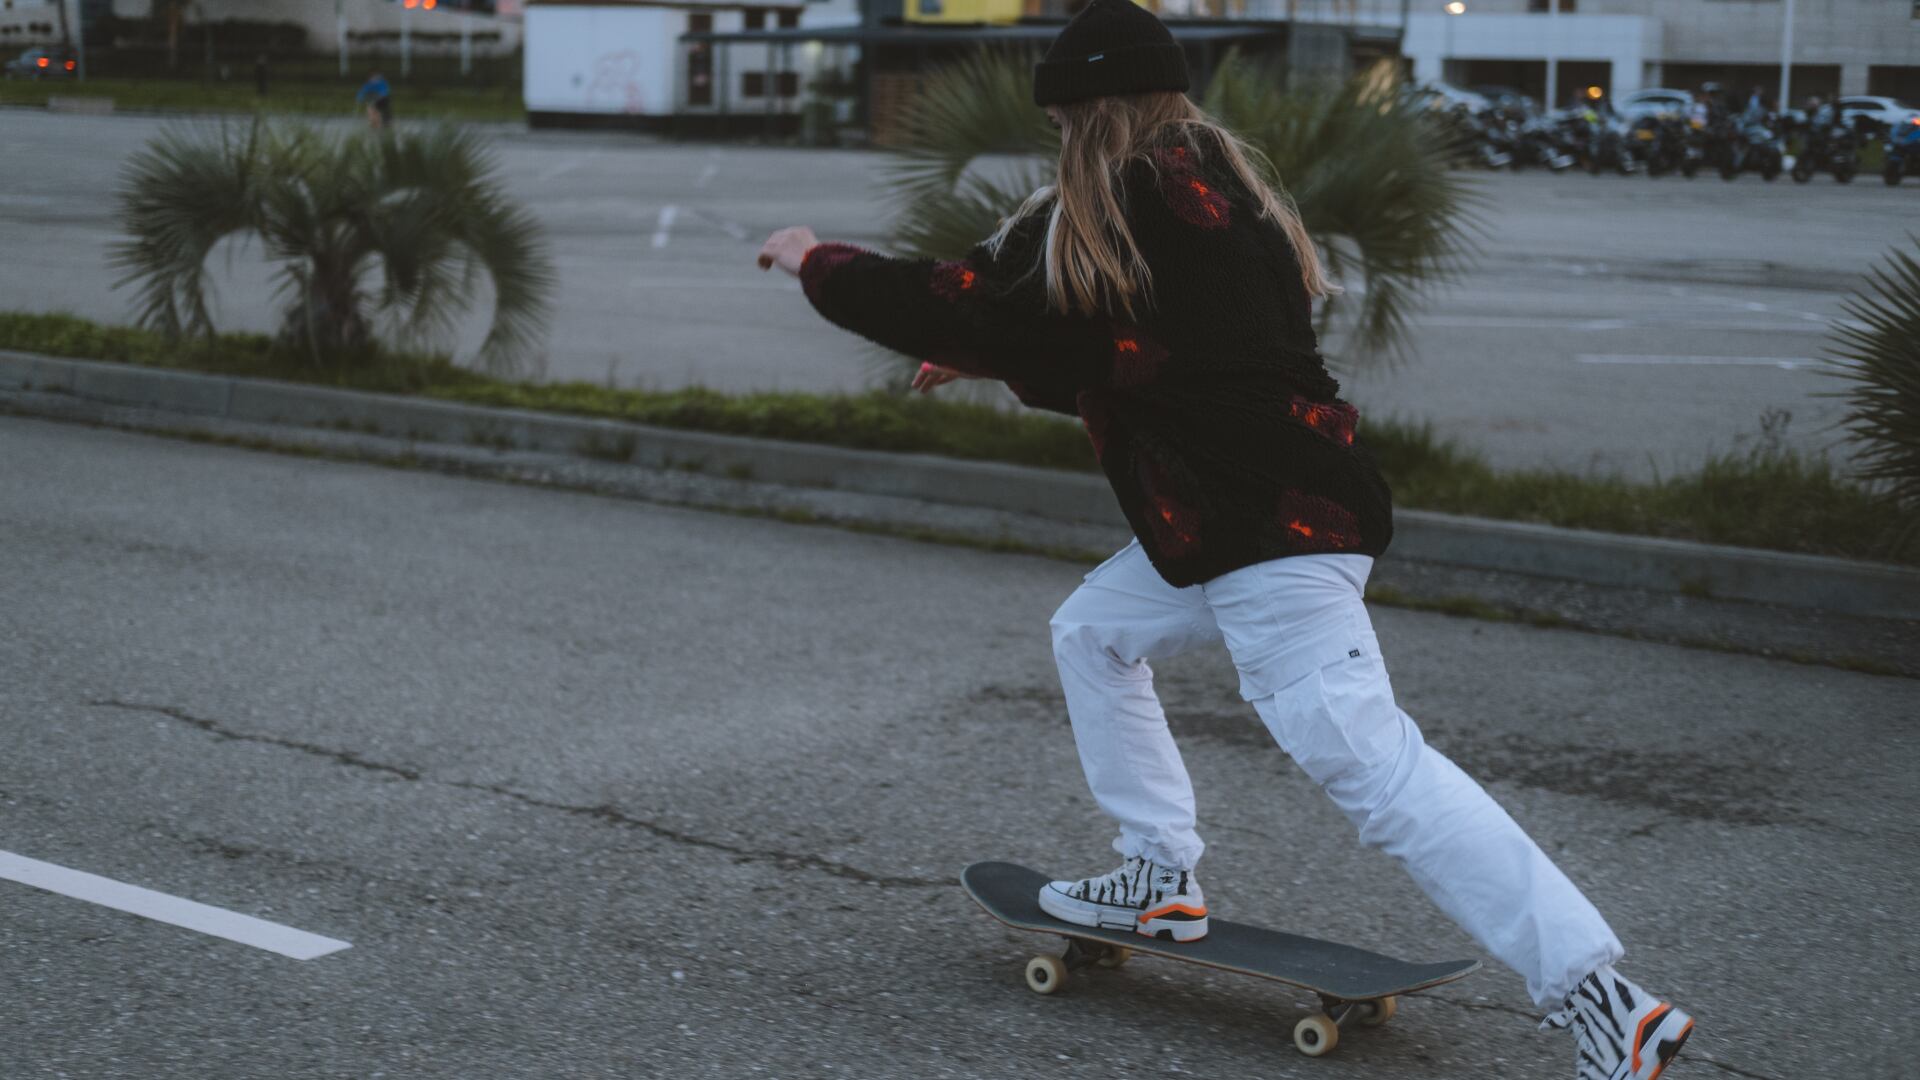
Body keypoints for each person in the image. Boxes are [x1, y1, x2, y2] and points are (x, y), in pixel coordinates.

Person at [755, 2, 1694, 1077]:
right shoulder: (1210, 189)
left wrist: (817, 263)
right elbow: (1155, 366)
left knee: (1379, 775)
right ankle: (1157, 877)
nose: (1060, 146)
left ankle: (1602, 998)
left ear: (1094, 113)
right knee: (1094, 632)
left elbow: (965, 301)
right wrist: (989, 362)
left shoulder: (1133, 195)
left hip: (1269, 537)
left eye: (1064, 124)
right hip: (1243, 518)